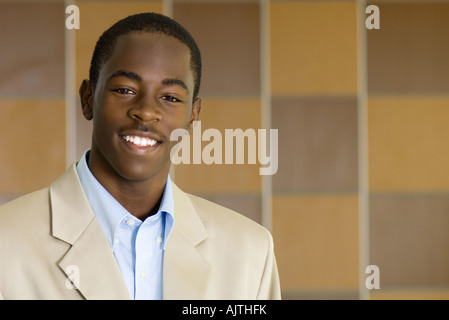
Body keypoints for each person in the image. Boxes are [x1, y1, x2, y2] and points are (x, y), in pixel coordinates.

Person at [0, 12, 281, 300]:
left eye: (170, 97)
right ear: (88, 99)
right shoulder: (7, 241)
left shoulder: (250, 253)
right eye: (125, 89)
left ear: (193, 117)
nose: (146, 111)